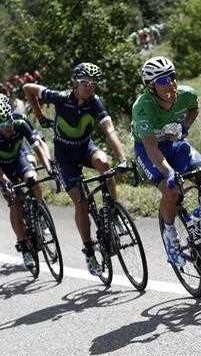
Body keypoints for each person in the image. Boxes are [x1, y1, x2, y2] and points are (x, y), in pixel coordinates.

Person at [23, 62, 128, 276]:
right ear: (75, 83)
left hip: (85, 148)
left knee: (105, 164)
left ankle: (113, 211)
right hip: (65, 158)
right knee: (81, 202)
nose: (90, 87)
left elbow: (109, 131)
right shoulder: (60, 97)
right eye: (85, 83)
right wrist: (40, 116)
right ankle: (89, 251)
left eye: (93, 84)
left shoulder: (96, 103)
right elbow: (28, 89)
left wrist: (123, 159)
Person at [131, 56, 201, 268]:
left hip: (176, 145)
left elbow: (194, 109)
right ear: (151, 87)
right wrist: (169, 173)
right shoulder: (142, 108)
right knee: (171, 191)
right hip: (149, 150)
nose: (170, 83)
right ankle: (171, 239)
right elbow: (152, 149)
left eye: (172, 77)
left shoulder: (187, 94)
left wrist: (185, 128)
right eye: (162, 81)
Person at [0, 98, 51, 270]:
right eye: (1, 124)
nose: (6, 126)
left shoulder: (20, 122)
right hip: (3, 168)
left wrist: (49, 167)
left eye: (8, 121)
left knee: (33, 179)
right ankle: (24, 247)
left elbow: (37, 148)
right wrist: (4, 182)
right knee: (15, 202)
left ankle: (41, 213)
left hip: (19, 157)